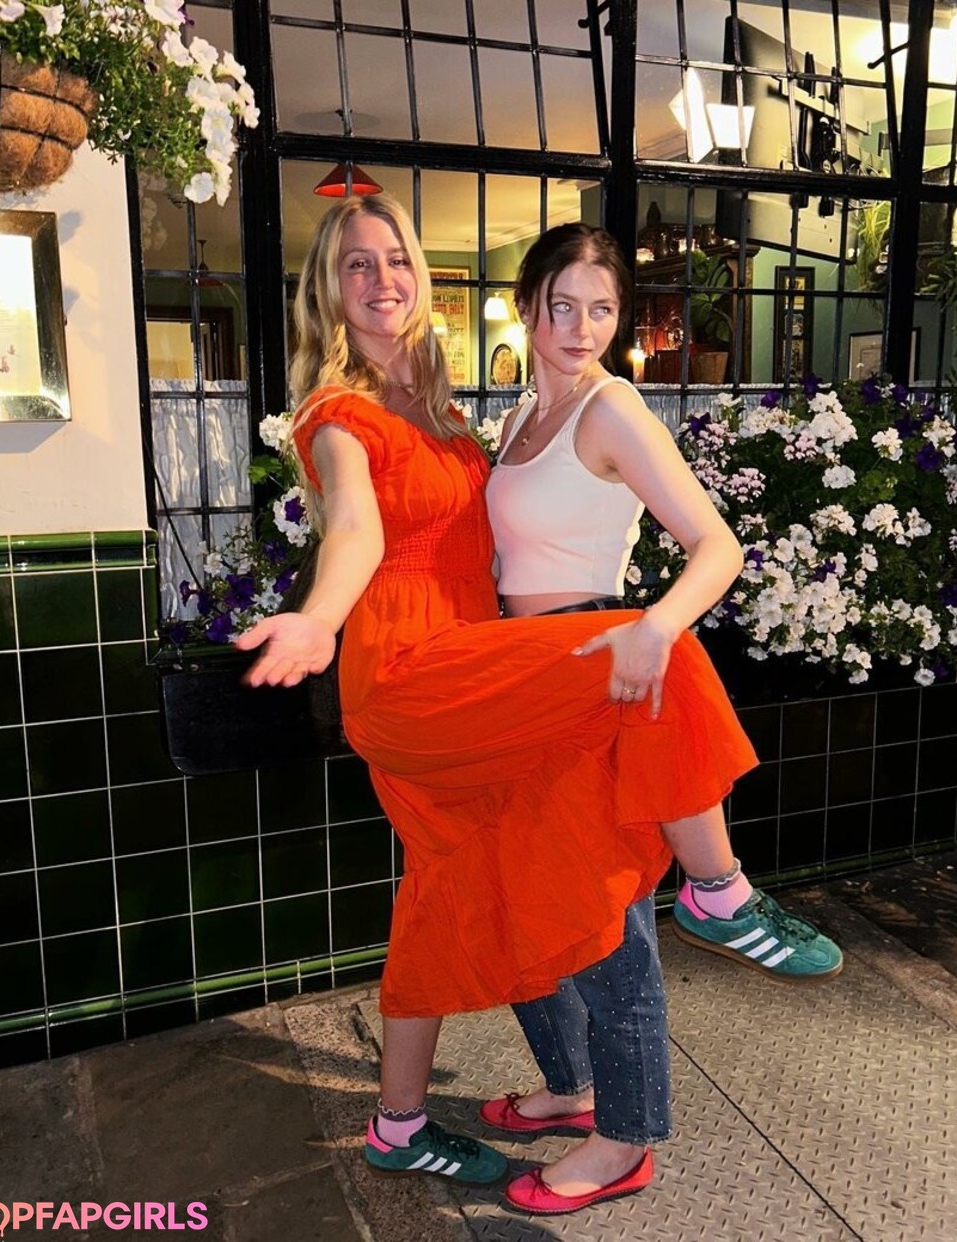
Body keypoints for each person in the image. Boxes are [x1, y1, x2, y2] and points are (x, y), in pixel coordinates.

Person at [237, 193, 755, 1201]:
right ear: (327, 292)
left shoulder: (451, 412)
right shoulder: (339, 415)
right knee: (656, 675)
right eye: (356, 264)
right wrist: (320, 617)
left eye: (396, 257)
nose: (382, 279)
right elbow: (357, 530)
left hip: (485, 668)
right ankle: (718, 889)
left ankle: (420, 1118)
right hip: (420, 673)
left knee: (475, 881)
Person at [479, 223, 843, 1214]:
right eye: (563, 305)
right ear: (528, 305)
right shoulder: (521, 416)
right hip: (527, 683)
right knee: (523, 900)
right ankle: (570, 1086)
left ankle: (624, 1140)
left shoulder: (612, 408)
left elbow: (716, 546)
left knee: (606, 923)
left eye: (602, 310)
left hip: (594, 677)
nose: (581, 327)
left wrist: (655, 628)